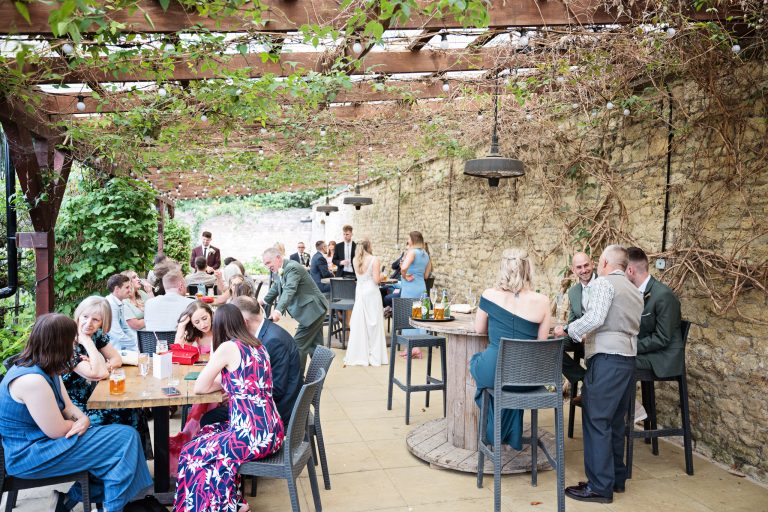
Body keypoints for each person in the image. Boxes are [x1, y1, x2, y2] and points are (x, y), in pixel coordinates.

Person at [0, 313, 153, 512]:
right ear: (60, 343)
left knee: (121, 441)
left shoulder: (45, 366)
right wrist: (81, 423)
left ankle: (86, 502)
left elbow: (68, 407)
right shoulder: (32, 381)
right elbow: (56, 431)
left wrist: (84, 420)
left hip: (45, 442)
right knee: (125, 441)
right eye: (73, 340)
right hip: (30, 454)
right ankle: (106, 505)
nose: (74, 345)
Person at [553, 245, 643, 504]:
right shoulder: (635, 290)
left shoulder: (605, 284)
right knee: (615, 421)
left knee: (596, 419)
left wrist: (569, 329)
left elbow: (595, 317)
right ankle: (615, 479)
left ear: (603, 263)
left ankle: (598, 487)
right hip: (628, 360)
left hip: (606, 359)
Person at [173, 304, 284, 512]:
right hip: (272, 430)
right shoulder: (259, 345)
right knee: (206, 432)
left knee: (191, 452)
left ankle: (220, 506)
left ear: (219, 325)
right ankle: (234, 502)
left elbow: (200, 387)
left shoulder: (228, 348)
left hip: (250, 436)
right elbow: (240, 380)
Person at [470, 249, 551, 451]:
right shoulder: (542, 301)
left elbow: (479, 329)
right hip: (528, 378)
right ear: (527, 269)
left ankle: (493, 434)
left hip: (494, 372)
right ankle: (510, 434)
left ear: (503, 269)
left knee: (476, 362)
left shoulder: (489, 295)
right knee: (511, 383)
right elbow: (541, 342)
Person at [200, 296, 303, 427]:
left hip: (278, 411)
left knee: (208, 419)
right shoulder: (265, 334)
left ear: (243, 321)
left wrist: (236, 396)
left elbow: (276, 389)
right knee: (211, 414)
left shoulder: (273, 341)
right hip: (267, 404)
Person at [63, 296, 142, 431]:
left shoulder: (96, 334)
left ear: (103, 322)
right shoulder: (67, 340)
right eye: (85, 316)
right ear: (78, 315)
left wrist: (101, 365)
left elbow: (116, 359)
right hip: (71, 405)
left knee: (135, 409)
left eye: (95, 320)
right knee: (126, 413)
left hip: (91, 396)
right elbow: (97, 374)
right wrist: (88, 344)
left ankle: (135, 451)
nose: (89, 323)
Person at [626, 246, 683, 423]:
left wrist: (631, 347)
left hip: (663, 357)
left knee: (618, 362)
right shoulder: (634, 293)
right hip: (649, 352)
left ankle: (628, 411)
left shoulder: (663, 295)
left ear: (630, 270)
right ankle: (625, 410)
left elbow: (662, 338)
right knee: (610, 358)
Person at [261, 246, 328, 370]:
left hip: (313, 311)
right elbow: (277, 287)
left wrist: (278, 311)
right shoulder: (282, 269)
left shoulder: (292, 267)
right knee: (316, 346)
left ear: (278, 258)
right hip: (314, 310)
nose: (267, 266)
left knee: (298, 346)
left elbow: (289, 290)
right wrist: (263, 301)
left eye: (268, 262)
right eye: (265, 264)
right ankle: (317, 377)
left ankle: (298, 380)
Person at [344, 239, 388, 367]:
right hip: (371, 292)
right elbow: (376, 280)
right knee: (374, 323)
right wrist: (382, 276)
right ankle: (374, 356)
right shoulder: (374, 259)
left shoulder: (354, 260)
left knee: (361, 322)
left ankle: (360, 354)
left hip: (360, 291)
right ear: (369, 246)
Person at [562, 252, 595, 391]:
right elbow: (572, 321)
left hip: (598, 339)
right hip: (579, 338)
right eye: (579, 267)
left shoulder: (604, 284)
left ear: (592, 263)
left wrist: (589, 336)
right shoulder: (573, 291)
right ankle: (584, 378)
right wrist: (567, 330)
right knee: (549, 345)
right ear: (573, 270)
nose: (584, 270)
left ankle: (595, 389)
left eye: (586, 265)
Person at [398, 230, 433, 358]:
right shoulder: (426, 255)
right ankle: (416, 347)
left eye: (408, 239)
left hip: (410, 287)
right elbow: (426, 275)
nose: (407, 241)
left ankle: (410, 346)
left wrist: (405, 275)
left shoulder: (412, 252)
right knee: (418, 315)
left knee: (409, 315)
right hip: (421, 287)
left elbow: (403, 268)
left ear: (412, 240)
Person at [104, 273, 138, 351]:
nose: (130, 290)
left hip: (119, 348)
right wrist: (136, 346)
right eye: (127, 287)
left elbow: (125, 328)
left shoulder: (119, 302)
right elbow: (117, 334)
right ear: (117, 289)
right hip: (111, 350)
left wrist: (137, 341)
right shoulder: (110, 305)